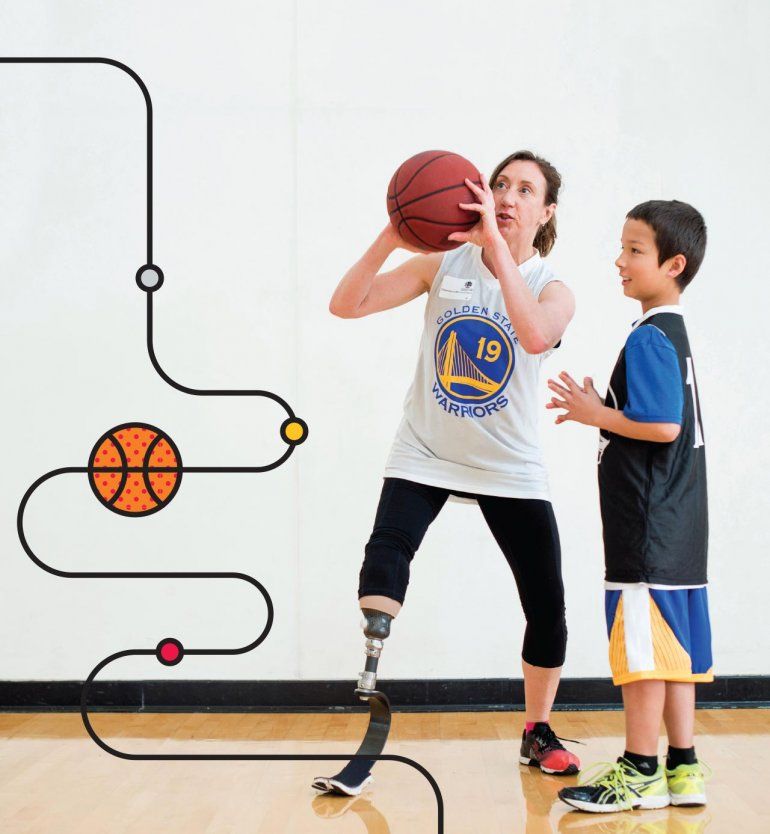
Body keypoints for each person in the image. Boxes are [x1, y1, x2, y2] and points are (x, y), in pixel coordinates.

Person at [328, 150, 580, 793]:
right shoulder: (442, 263)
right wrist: (397, 227)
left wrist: (498, 253)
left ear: (546, 211)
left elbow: (531, 335)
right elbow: (345, 304)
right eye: (500, 184)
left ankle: (537, 730)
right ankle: (372, 659)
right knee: (386, 552)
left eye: (526, 189)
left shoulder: (553, 286)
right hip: (427, 448)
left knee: (546, 603)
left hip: (508, 462)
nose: (508, 195)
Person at [550, 200, 711, 813]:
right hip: (680, 532)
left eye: (634, 251)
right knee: (675, 657)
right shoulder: (674, 333)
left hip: (646, 531)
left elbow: (663, 426)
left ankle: (640, 768)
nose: (620, 261)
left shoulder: (649, 337)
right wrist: (606, 412)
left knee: (643, 656)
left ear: (674, 263)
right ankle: (683, 767)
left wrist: (597, 415)